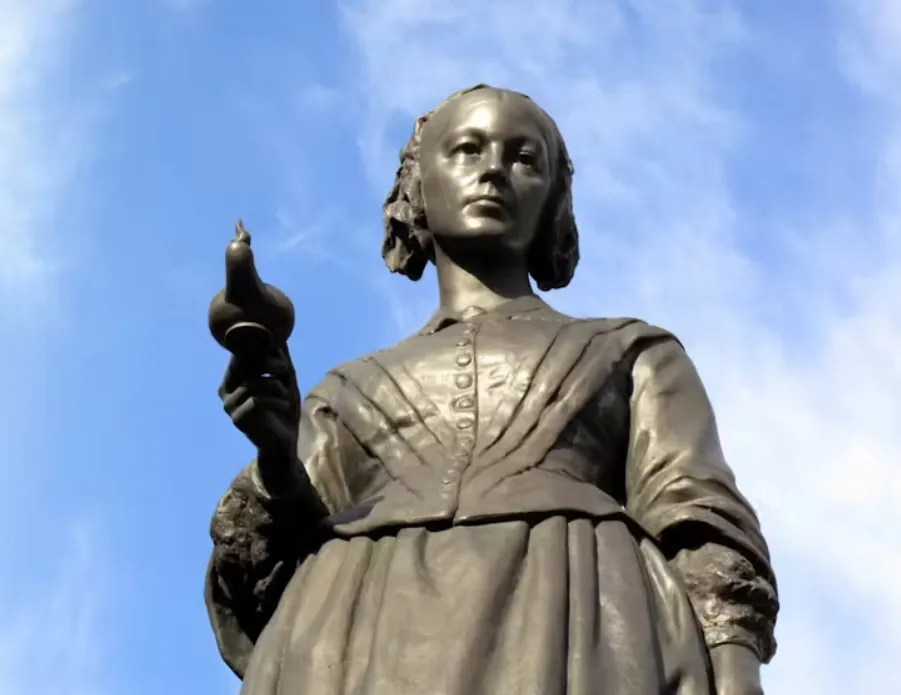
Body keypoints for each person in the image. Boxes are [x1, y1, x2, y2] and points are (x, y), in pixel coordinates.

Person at [205, 84, 778, 695]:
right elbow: (259, 579)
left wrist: (736, 673)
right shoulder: (345, 391)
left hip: (576, 629)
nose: (494, 173)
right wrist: (276, 460)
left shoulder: (631, 353)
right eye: (468, 150)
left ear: (555, 198)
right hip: (353, 639)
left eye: (524, 158)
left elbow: (699, 522)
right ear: (418, 185)